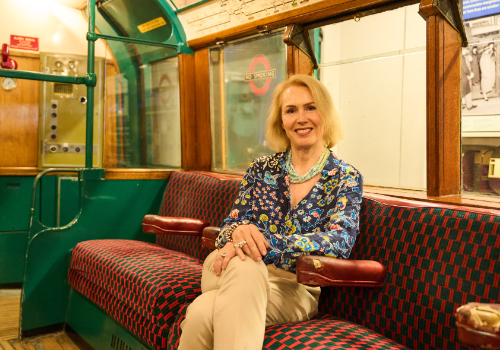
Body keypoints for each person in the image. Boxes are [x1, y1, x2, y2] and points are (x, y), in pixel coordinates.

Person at [178, 74, 363, 350]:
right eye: (291, 110)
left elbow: (340, 242)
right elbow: (230, 225)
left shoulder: (345, 177)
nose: (301, 118)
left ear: (325, 114)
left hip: (294, 286)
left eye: (310, 107)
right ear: (281, 122)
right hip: (226, 265)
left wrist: (265, 245)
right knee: (244, 265)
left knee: (203, 312)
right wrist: (237, 232)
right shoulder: (261, 169)